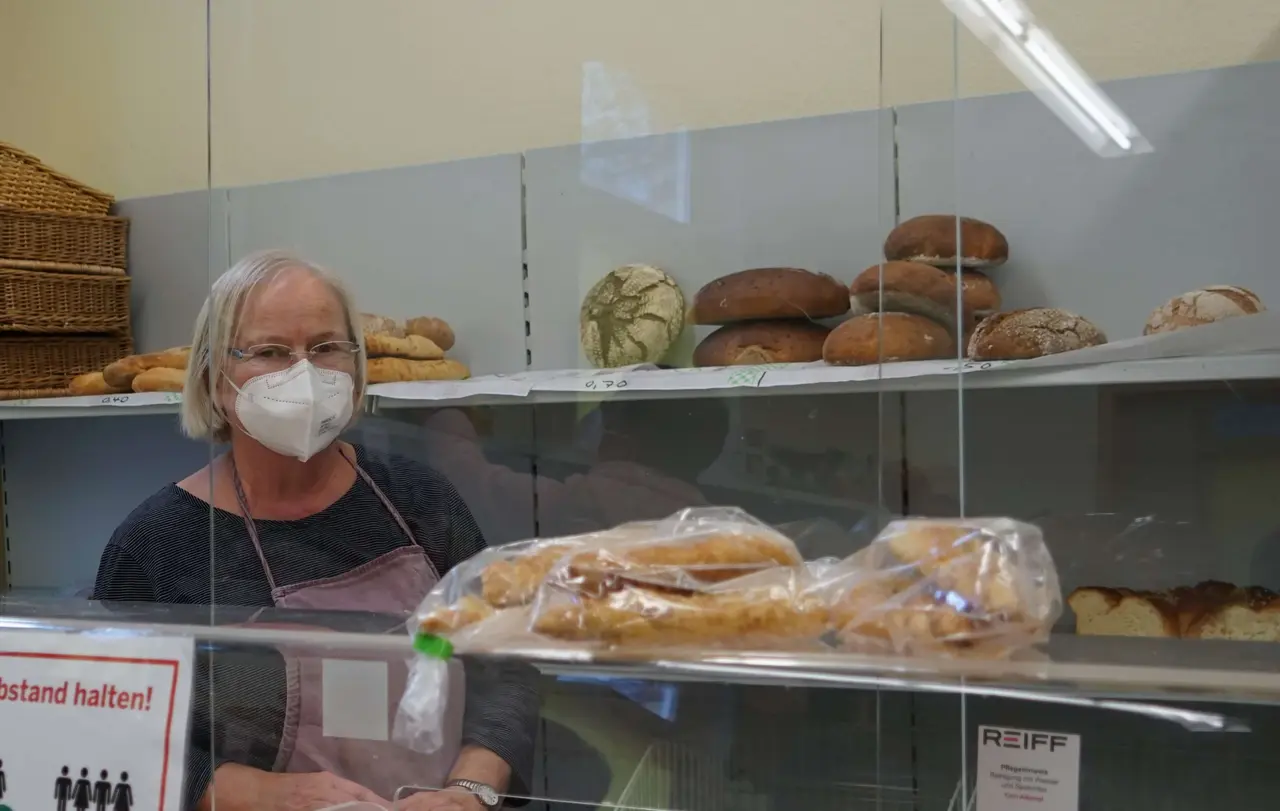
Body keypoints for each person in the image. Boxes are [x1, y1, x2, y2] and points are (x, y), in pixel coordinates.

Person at [92, 251, 537, 811]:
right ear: (214, 377)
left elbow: (503, 663)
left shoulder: (420, 499)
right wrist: (254, 793)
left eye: (326, 347)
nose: (303, 373)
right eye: (270, 351)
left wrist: (469, 790)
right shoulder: (157, 543)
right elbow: (115, 727)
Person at [420, 391, 731, 543]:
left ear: (618, 441)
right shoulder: (704, 516)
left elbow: (470, 481)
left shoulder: (585, 499)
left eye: (603, 417)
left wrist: (448, 411)